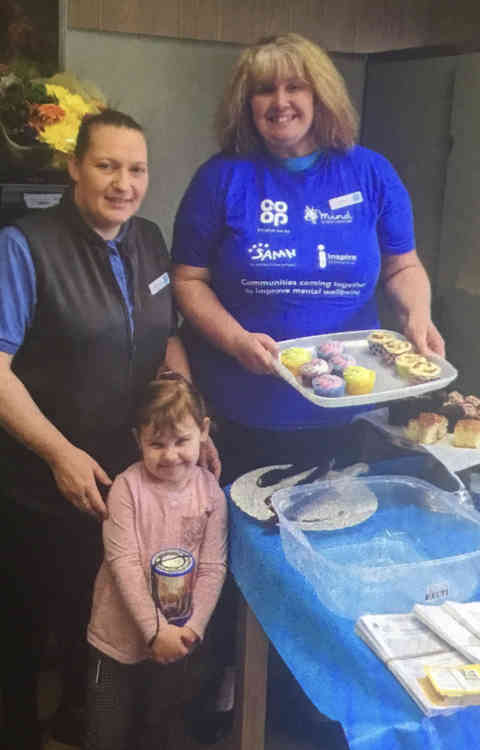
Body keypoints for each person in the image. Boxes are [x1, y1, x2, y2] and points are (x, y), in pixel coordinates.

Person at [0, 109, 219, 749]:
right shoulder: (25, 246)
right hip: (40, 484)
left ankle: (77, 727)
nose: (123, 182)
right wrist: (58, 453)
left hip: (129, 483)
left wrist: (188, 417)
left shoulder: (148, 239)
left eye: (136, 169)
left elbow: (167, 337)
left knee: (97, 623)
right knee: (31, 624)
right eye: (106, 165)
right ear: (74, 167)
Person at [171, 32, 445, 485]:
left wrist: (416, 314)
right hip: (240, 410)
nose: (280, 101)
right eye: (264, 89)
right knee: (244, 539)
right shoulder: (220, 178)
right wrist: (237, 340)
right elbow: (186, 280)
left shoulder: (371, 173)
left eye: (294, 86)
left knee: (333, 529)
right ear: (247, 103)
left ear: (321, 94)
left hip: (348, 411)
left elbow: (403, 265)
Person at [84, 373, 227, 750]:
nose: (170, 454)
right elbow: (123, 564)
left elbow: (214, 567)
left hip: (178, 642)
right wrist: (152, 631)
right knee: (107, 732)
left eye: (182, 441)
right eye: (156, 444)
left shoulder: (211, 492)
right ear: (138, 440)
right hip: (116, 639)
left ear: (203, 431)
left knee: (159, 728)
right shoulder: (125, 489)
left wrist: (192, 629)